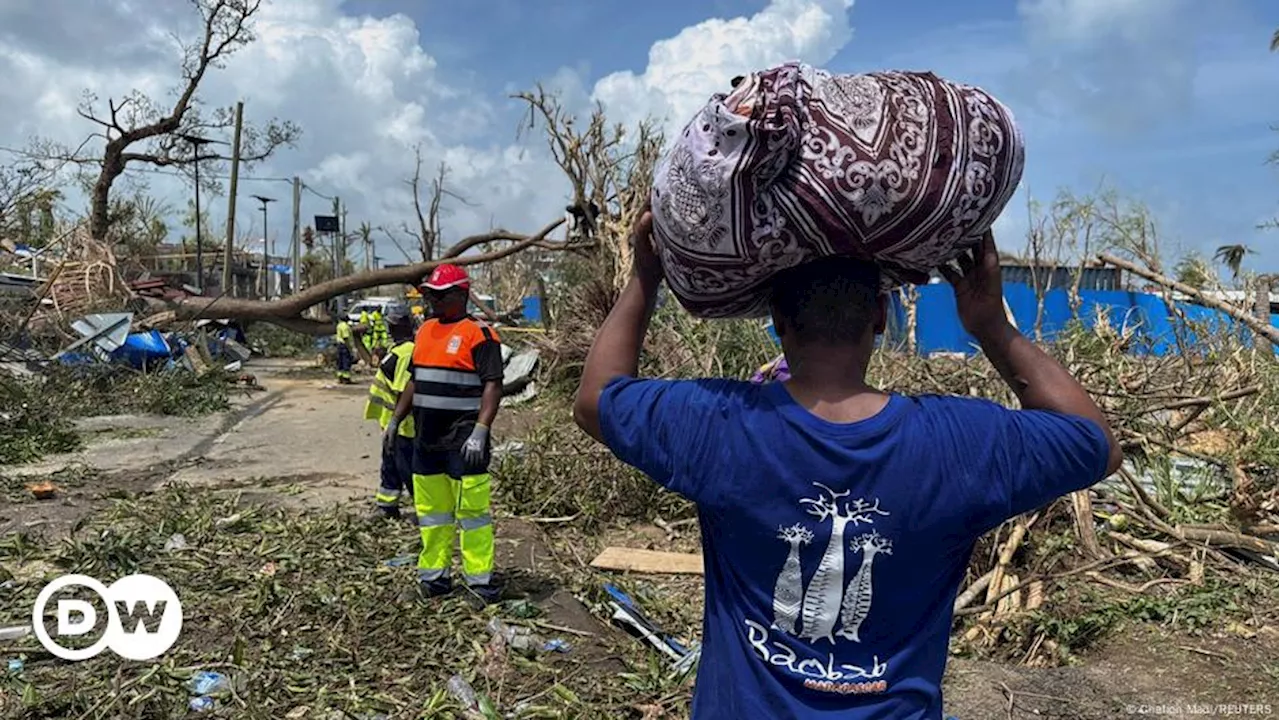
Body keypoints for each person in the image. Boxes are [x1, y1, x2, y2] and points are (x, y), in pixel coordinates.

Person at [572, 212, 1122, 719]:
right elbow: (1095, 442)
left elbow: (596, 399)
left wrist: (645, 276)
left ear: (777, 321)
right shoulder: (959, 442)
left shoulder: (721, 424)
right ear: (881, 317)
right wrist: (991, 327)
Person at [389, 263, 505, 606]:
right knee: (432, 513)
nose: (433, 302)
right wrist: (396, 419)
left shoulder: (479, 334)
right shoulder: (424, 332)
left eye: (440, 296)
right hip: (427, 440)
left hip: (463, 439)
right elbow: (414, 380)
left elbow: (493, 385)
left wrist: (481, 430)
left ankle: (480, 583)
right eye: (430, 296)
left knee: (472, 514)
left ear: (461, 295)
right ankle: (434, 578)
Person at [364, 304, 417, 520]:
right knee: (390, 467)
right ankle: (387, 507)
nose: (390, 327)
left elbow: (404, 390)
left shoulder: (406, 353)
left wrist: (396, 421)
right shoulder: (397, 350)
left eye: (393, 324)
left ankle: (426, 511)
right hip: (392, 424)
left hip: (404, 426)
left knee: (408, 470)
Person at [333, 315, 356, 385]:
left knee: (340, 361)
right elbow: (346, 338)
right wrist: (350, 348)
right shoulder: (345, 326)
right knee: (346, 361)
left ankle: (340, 377)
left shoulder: (339, 325)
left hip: (339, 345)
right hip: (344, 345)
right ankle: (346, 378)